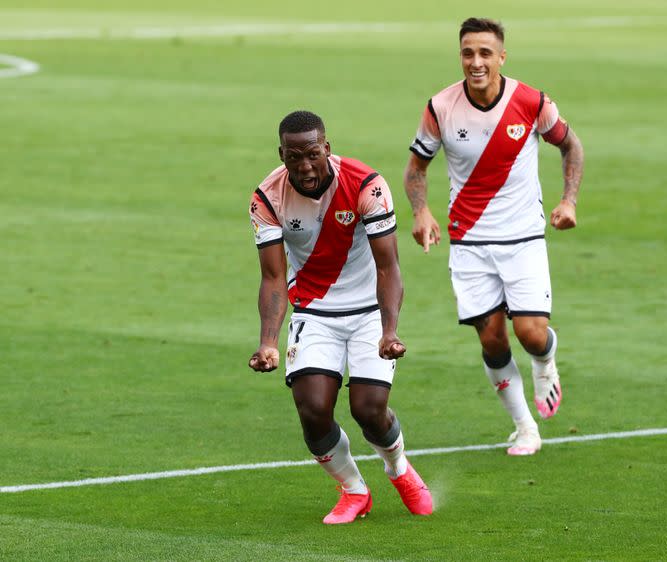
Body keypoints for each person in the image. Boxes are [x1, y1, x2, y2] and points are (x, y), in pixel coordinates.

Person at [403, 18, 584, 456]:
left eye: (486, 53)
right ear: (460, 56)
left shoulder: (531, 101)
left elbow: (571, 145)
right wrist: (422, 211)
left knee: (530, 333)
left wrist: (569, 201)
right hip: (469, 241)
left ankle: (545, 361)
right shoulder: (440, 107)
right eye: (468, 53)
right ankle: (525, 427)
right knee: (491, 339)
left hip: (522, 236)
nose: (476, 62)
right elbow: (416, 168)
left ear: (502, 57)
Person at [248, 110, 433, 524]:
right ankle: (353, 490)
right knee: (312, 409)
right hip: (314, 311)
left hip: (369, 309)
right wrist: (267, 342)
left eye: (312, 154)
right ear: (282, 154)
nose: (305, 165)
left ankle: (399, 468)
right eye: (293, 157)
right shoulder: (267, 196)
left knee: (369, 409)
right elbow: (274, 277)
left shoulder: (368, 185)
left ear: (327, 149)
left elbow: (389, 267)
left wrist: (390, 331)